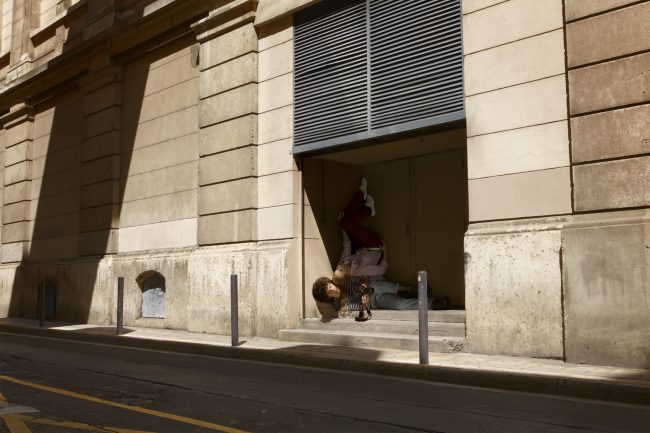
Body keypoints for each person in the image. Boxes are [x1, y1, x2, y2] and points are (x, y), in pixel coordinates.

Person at [332, 177, 438, 311]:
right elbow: (382, 269)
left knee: (343, 221)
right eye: (340, 270)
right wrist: (385, 251)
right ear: (348, 275)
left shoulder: (344, 262)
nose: (339, 266)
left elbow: (346, 244)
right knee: (395, 302)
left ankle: (363, 200)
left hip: (362, 248)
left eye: (337, 268)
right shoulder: (359, 272)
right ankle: (367, 208)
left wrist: (342, 228)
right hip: (373, 247)